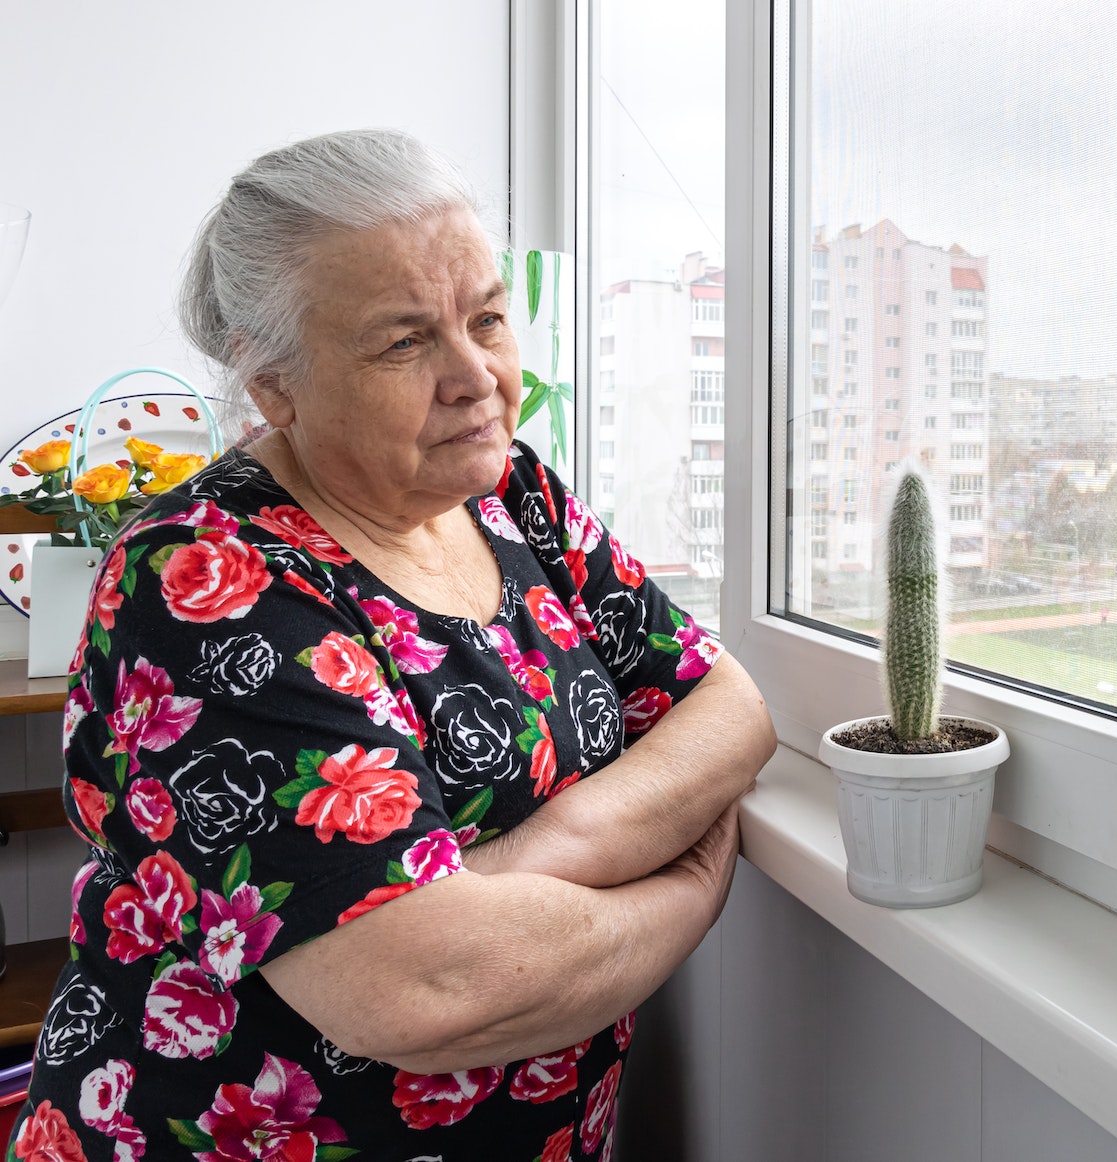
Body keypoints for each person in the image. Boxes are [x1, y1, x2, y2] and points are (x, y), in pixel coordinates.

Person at [13, 131, 779, 1158]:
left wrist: (523, 867)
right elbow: (425, 990)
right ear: (274, 382)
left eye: (489, 320)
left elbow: (727, 707)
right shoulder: (205, 580)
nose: (477, 377)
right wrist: (687, 885)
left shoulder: (516, 498)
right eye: (405, 341)